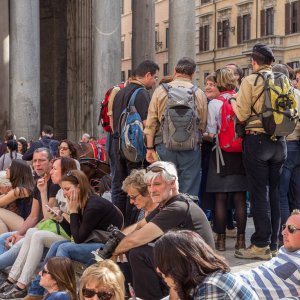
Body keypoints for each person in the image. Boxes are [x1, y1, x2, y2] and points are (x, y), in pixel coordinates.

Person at [113, 161, 214, 300]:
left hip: (198, 271)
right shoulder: (167, 204)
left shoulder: (178, 207)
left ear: (172, 183)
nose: (152, 189)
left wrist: (113, 252)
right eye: (149, 185)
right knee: (132, 255)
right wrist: (114, 241)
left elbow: (136, 239)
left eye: (157, 184)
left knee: (138, 253)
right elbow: (138, 226)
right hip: (187, 262)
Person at [24, 170, 124, 300]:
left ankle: (61, 293)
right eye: (63, 189)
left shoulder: (94, 205)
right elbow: (75, 233)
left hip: (106, 248)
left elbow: (78, 239)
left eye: (67, 189)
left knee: (64, 248)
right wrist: (61, 219)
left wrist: (72, 211)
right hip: (94, 242)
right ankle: (35, 292)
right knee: (57, 245)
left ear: (79, 187)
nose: (64, 193)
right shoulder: (83, 202)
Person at [231, 43, 287, 260]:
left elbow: (243, 114)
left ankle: (260, 245)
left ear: (253, 62)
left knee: (258, 193)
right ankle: (274, 243)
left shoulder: (251, 80)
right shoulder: (283, 80)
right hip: (279, 141)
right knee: (274, 192)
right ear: (272, 62)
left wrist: (234, 101)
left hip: (257, 140)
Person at [0, 157, 77, 299]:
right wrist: (42, 191)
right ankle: (12, 279)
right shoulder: (58, 190)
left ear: (65, 171)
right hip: (47, 229)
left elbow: (46, 219)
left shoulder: (69, 190)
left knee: (35, 235)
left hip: (67, 235)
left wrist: (63, 214)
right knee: (28, 233)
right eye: (34, 161)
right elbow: (47, 217)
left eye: (54, 168)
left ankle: (21, 284)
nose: (51, 171)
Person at [145, 57, 207, 200]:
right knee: (189, 192)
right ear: (192, 74)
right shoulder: (198, 93)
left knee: (164, 188)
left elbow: (151, 123)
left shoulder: (160, 91)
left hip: (164, 146)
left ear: (174, 71)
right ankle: (187, 219)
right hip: (191, 149)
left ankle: (166, 219)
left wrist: (149, 149)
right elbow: (202, 124)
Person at [111, 60, 159, 225]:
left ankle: (118, 224)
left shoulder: (119, 93)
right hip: (134, 150)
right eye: (154, 78)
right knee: (136, 187)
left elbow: (113, 124)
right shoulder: (142, 93)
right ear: (147, 75)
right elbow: (146, 124)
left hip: (119, 146)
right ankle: (131, 226)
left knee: (120, 188)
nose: (154, 82)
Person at [205, 68, 247, 251]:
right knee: (240, 199)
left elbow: (211, 133)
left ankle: (220, 242)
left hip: (220, 154)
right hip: (241, 153)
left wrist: (204, 135)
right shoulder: (241, 98)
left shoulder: (214, 103)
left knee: (220, 199)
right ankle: (241, 241)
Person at [0, 148, 59, 275]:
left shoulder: (55, 184)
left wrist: (24, 234)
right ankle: (4, 265)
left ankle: (5, 264)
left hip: (46, 230)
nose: (37, 164)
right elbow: (33, 216)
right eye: (35, 161)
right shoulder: (40, 183)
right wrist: (18, 234)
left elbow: (47, 218)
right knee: (3, 238)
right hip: (35, 227)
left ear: (51, 162)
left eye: (42, 160)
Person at [154, 230, 258, 300]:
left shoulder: (211, 286)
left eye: (162, 262)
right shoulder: (203, 279)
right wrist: (176, 285)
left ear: (178, 265)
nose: (158, 269)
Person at [237, 209, 300, 299]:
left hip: (244, 293)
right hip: (240, 280)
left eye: (291, 229)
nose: (283, 233)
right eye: (284, 227)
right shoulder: (285, 249)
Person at [272, 64, 300, 245]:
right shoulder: (297, 93)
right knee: (296, 194)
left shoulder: (276, 93)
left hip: (285, 143)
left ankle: (285, 235)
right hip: (298, 145)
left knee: (281, 193)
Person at [0, 160, 35, 234]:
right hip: (25, 222)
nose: (6, 169)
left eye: (9, 168)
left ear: (16, 171)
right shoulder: (24, 187)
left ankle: (3, 242)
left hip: (27, 224)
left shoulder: (19, 190)